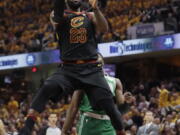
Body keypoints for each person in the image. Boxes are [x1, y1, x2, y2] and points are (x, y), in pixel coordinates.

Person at [19, 0, 125, 134]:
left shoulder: (90, 15)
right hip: (68, 69)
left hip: (91, 68)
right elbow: (57, 16)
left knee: (109, 106)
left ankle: (122, 132)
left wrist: (96, 9)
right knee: (47, 86)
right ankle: (27, 128)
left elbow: (104, 28)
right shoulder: (57, 15)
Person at [61, 74, 133, 135]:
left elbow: (122, 110)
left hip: (108, 123)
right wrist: (64, 131)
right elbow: (73, 107)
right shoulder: (83, 81)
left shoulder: (115, 81)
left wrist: (127, 103)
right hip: (88, 122)